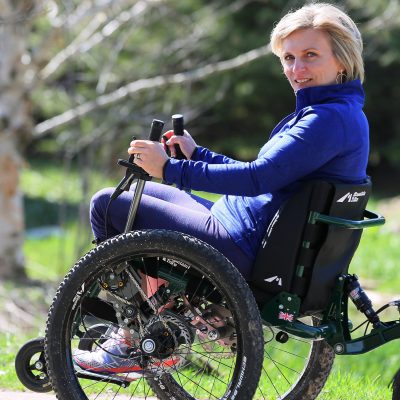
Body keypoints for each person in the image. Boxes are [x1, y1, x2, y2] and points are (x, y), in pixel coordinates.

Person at [74, 2, 369, 373]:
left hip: (240, 243)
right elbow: (265, 175)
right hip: (240, 226)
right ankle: (160, 320)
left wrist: (169, 168)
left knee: (107, 205)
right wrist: (198, 155)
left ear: (342, 60)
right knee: (135, 197)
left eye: (311, 55)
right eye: (289, 58)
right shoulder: (333, 112)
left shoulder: (325, 120)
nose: (297, 69)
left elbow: (257, 179)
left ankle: (134, 338)